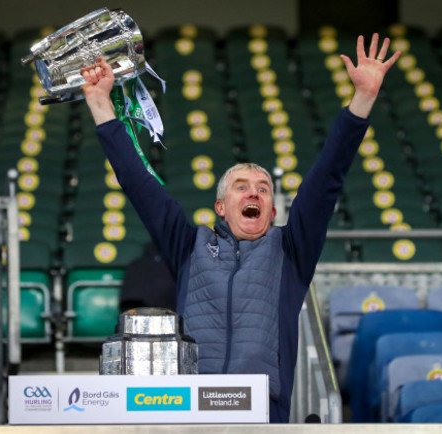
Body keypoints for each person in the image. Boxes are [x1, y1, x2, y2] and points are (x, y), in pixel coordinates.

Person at [81, 33, 400, 423]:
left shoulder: (291, 250)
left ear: (271, 208)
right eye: (242, 187)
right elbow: (138, 184)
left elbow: (327, 177)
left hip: (264, 412)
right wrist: (100, 104)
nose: (255, 193)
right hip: (190, 410)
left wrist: (361, 101)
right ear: (221, 207)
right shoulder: (189, 246)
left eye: (263, 189)